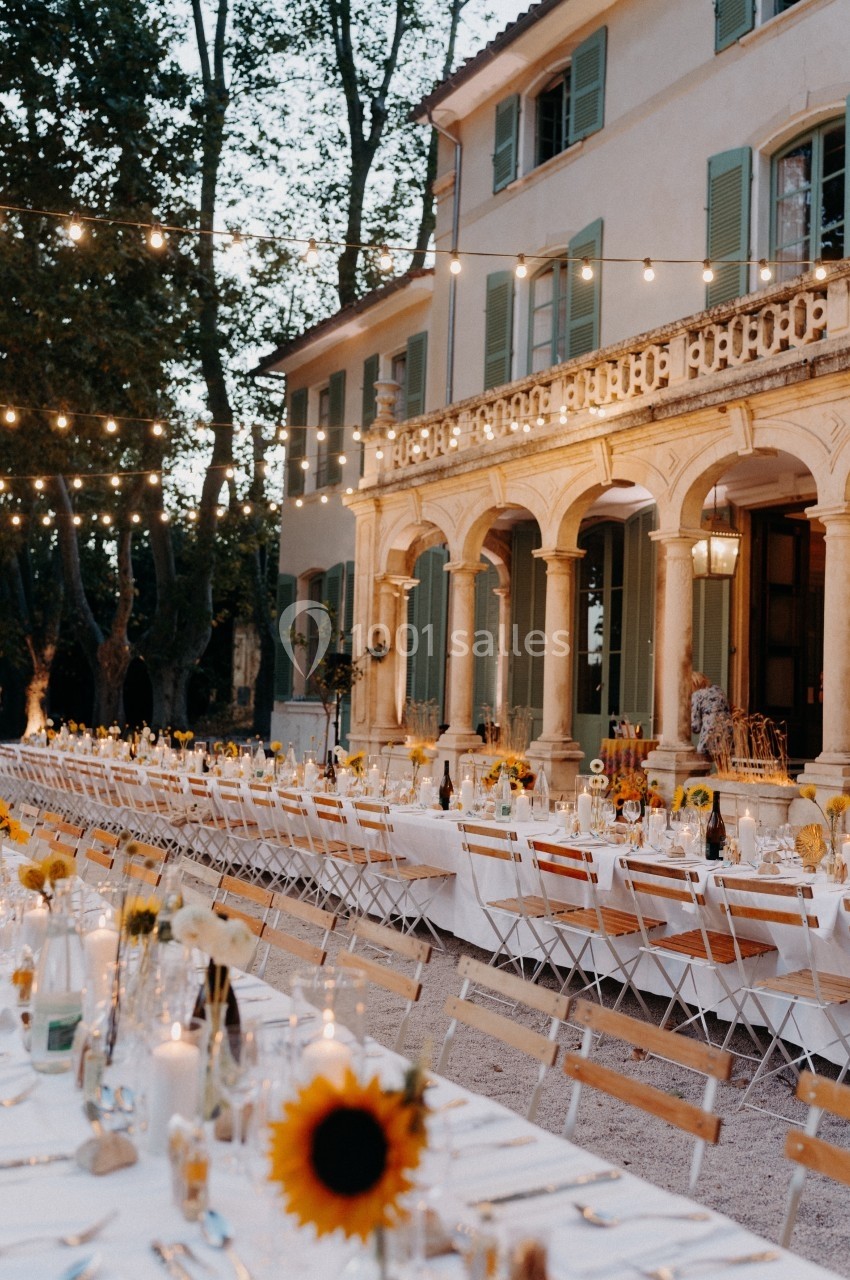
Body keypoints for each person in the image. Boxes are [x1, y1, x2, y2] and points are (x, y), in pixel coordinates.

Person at [691, 671, 732, 760]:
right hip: (727, 735)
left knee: (701, 762)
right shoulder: (718, 690)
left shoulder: (697, 695)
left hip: (709, 736)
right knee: (723, 765)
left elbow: (695, 727)